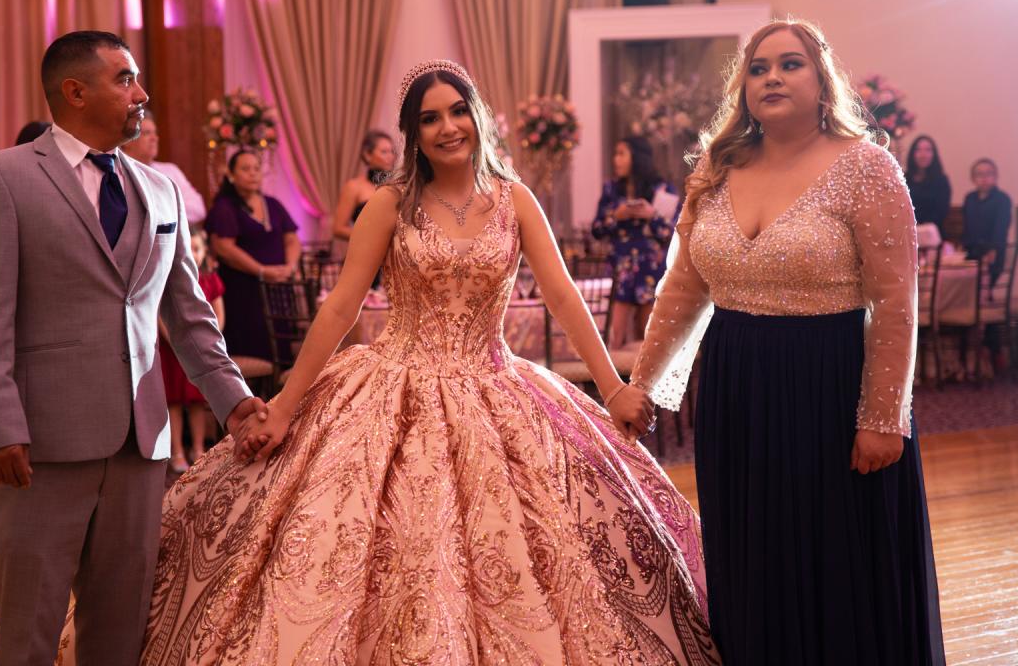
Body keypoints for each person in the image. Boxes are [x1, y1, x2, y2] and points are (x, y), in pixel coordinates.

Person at [135, 60, 720, 664]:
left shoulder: (515, 200)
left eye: (458, 111)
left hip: (496, 385)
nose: (448, 127)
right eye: (430, 118)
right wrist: (284, 406)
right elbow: (340, 308)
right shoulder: (391, 203)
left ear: (477, 116)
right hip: (393, 384)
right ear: (413, 133)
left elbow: (564, 297)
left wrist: (612, 388)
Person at [627, 20, 945, 664]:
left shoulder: (866, 167)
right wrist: (643, 385)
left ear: (822, 81)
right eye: (758, 67)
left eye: (790, 64)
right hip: (736, 388)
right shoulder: (716, 170)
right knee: (752, 554)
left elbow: (895, 302)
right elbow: (683, 288)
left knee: (835, 561)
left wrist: (883, 417)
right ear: (743, 88)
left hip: (830, 387)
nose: (772, 77)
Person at [0, 30, 267, 666]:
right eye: (125, 79)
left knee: (121, 630)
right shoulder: (1, 179)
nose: (141, 93)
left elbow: (189, 317)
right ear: (74, 91)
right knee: (29, 630)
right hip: (37, 446)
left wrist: (235, 403)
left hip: (139, 446)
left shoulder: (160, 189)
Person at [205, 149, 301, 363]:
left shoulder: (272, 203)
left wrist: (290, 266)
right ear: (231, 175)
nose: (252, 173)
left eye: (256, 169)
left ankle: (279, 381)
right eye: (245, 169)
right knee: (252, 346)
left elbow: (292, 239)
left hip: (276, 287)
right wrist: (261, 271)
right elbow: (224, 248)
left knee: (281, 347)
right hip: (244, 290)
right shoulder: (225, 207)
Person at [591, 135, 676, 346]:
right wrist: (616, 216)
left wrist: (652, 215)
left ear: (637, 157)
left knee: (647, 338)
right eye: (615, 154)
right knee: (613, 336)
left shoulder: (662, 189)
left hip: (651, 270)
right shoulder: (611, 189)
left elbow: (672, 233)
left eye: (621, 154)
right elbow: (597, 230)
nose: (616, 159)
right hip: (620, 269)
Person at [160, 230, 223, 473]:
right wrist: (176, 341)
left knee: (197, 401)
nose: (193, 254)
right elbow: (159, 314)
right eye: (188, 248)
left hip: (201, 350)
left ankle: (198, 449)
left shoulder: (209, 280)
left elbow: (218, 315)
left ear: (205, 251)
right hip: (172, 351)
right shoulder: (166, 277)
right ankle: (176, 451)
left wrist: (207, 341)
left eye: (197, 249)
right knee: (173, 403)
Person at [120, 111, 207, 226]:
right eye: (147, 133)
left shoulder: (171, 170)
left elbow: (198, 209)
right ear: (127, 141)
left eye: (155, 133)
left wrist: (157, 211)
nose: (154, 138)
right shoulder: (117, 172)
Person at [332, 128, 396, 240]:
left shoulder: (398, 185)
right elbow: (338, 228)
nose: (390, 156)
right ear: (367, 155)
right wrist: (373, 239)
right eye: (384, 152)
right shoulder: (354, 186)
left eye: (392, 151)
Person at [961, 157, 1011, 285]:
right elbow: (967, 226)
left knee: (984, 284)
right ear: (973, 178)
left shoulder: (1002, 199)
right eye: (979, 174)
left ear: (996, 176)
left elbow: (1001, 228)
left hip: (993, 251)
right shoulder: (969, 198)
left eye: (989, 174)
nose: (984, 178)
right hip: (971, 251)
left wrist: (993, 249)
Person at [905, 134, 951, 230]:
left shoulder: (941, 181)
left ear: (934, 154)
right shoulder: (904, 179)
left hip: (932, 231)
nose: (923, 155)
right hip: (907, 230)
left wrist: (922, 227)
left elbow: (941, 211)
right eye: (918, 150)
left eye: (928, 150)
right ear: (912, 154)